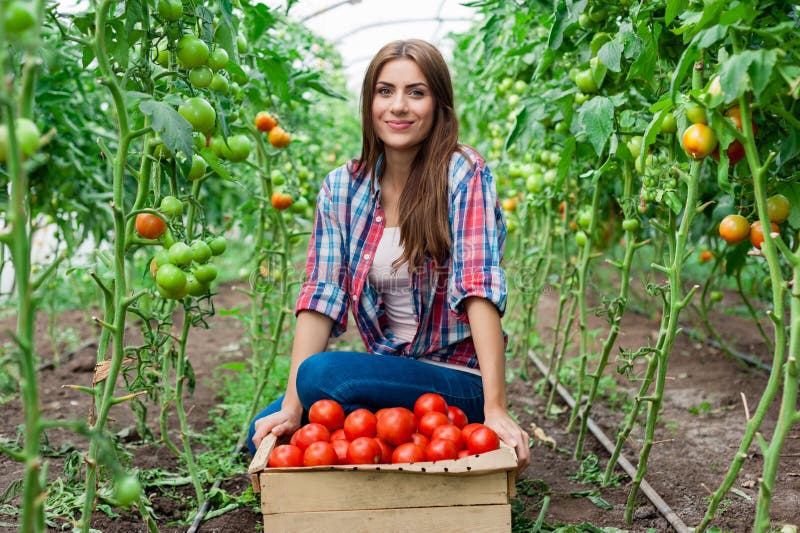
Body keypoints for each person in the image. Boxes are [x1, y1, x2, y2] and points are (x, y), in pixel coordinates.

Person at [248, 39, 530, 471]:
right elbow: (321, 297)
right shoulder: (342, 188)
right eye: (385, 91)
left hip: (456, 381)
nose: (398, 106)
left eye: (416, 92)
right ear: (369, 102)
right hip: (389, 372)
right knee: (263, 435)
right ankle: (392, 436)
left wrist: (495, 408)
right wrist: (291, 406)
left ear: (439, 105)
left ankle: (411, 428)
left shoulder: (463, 173)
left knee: (323, 377)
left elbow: (479, 287)